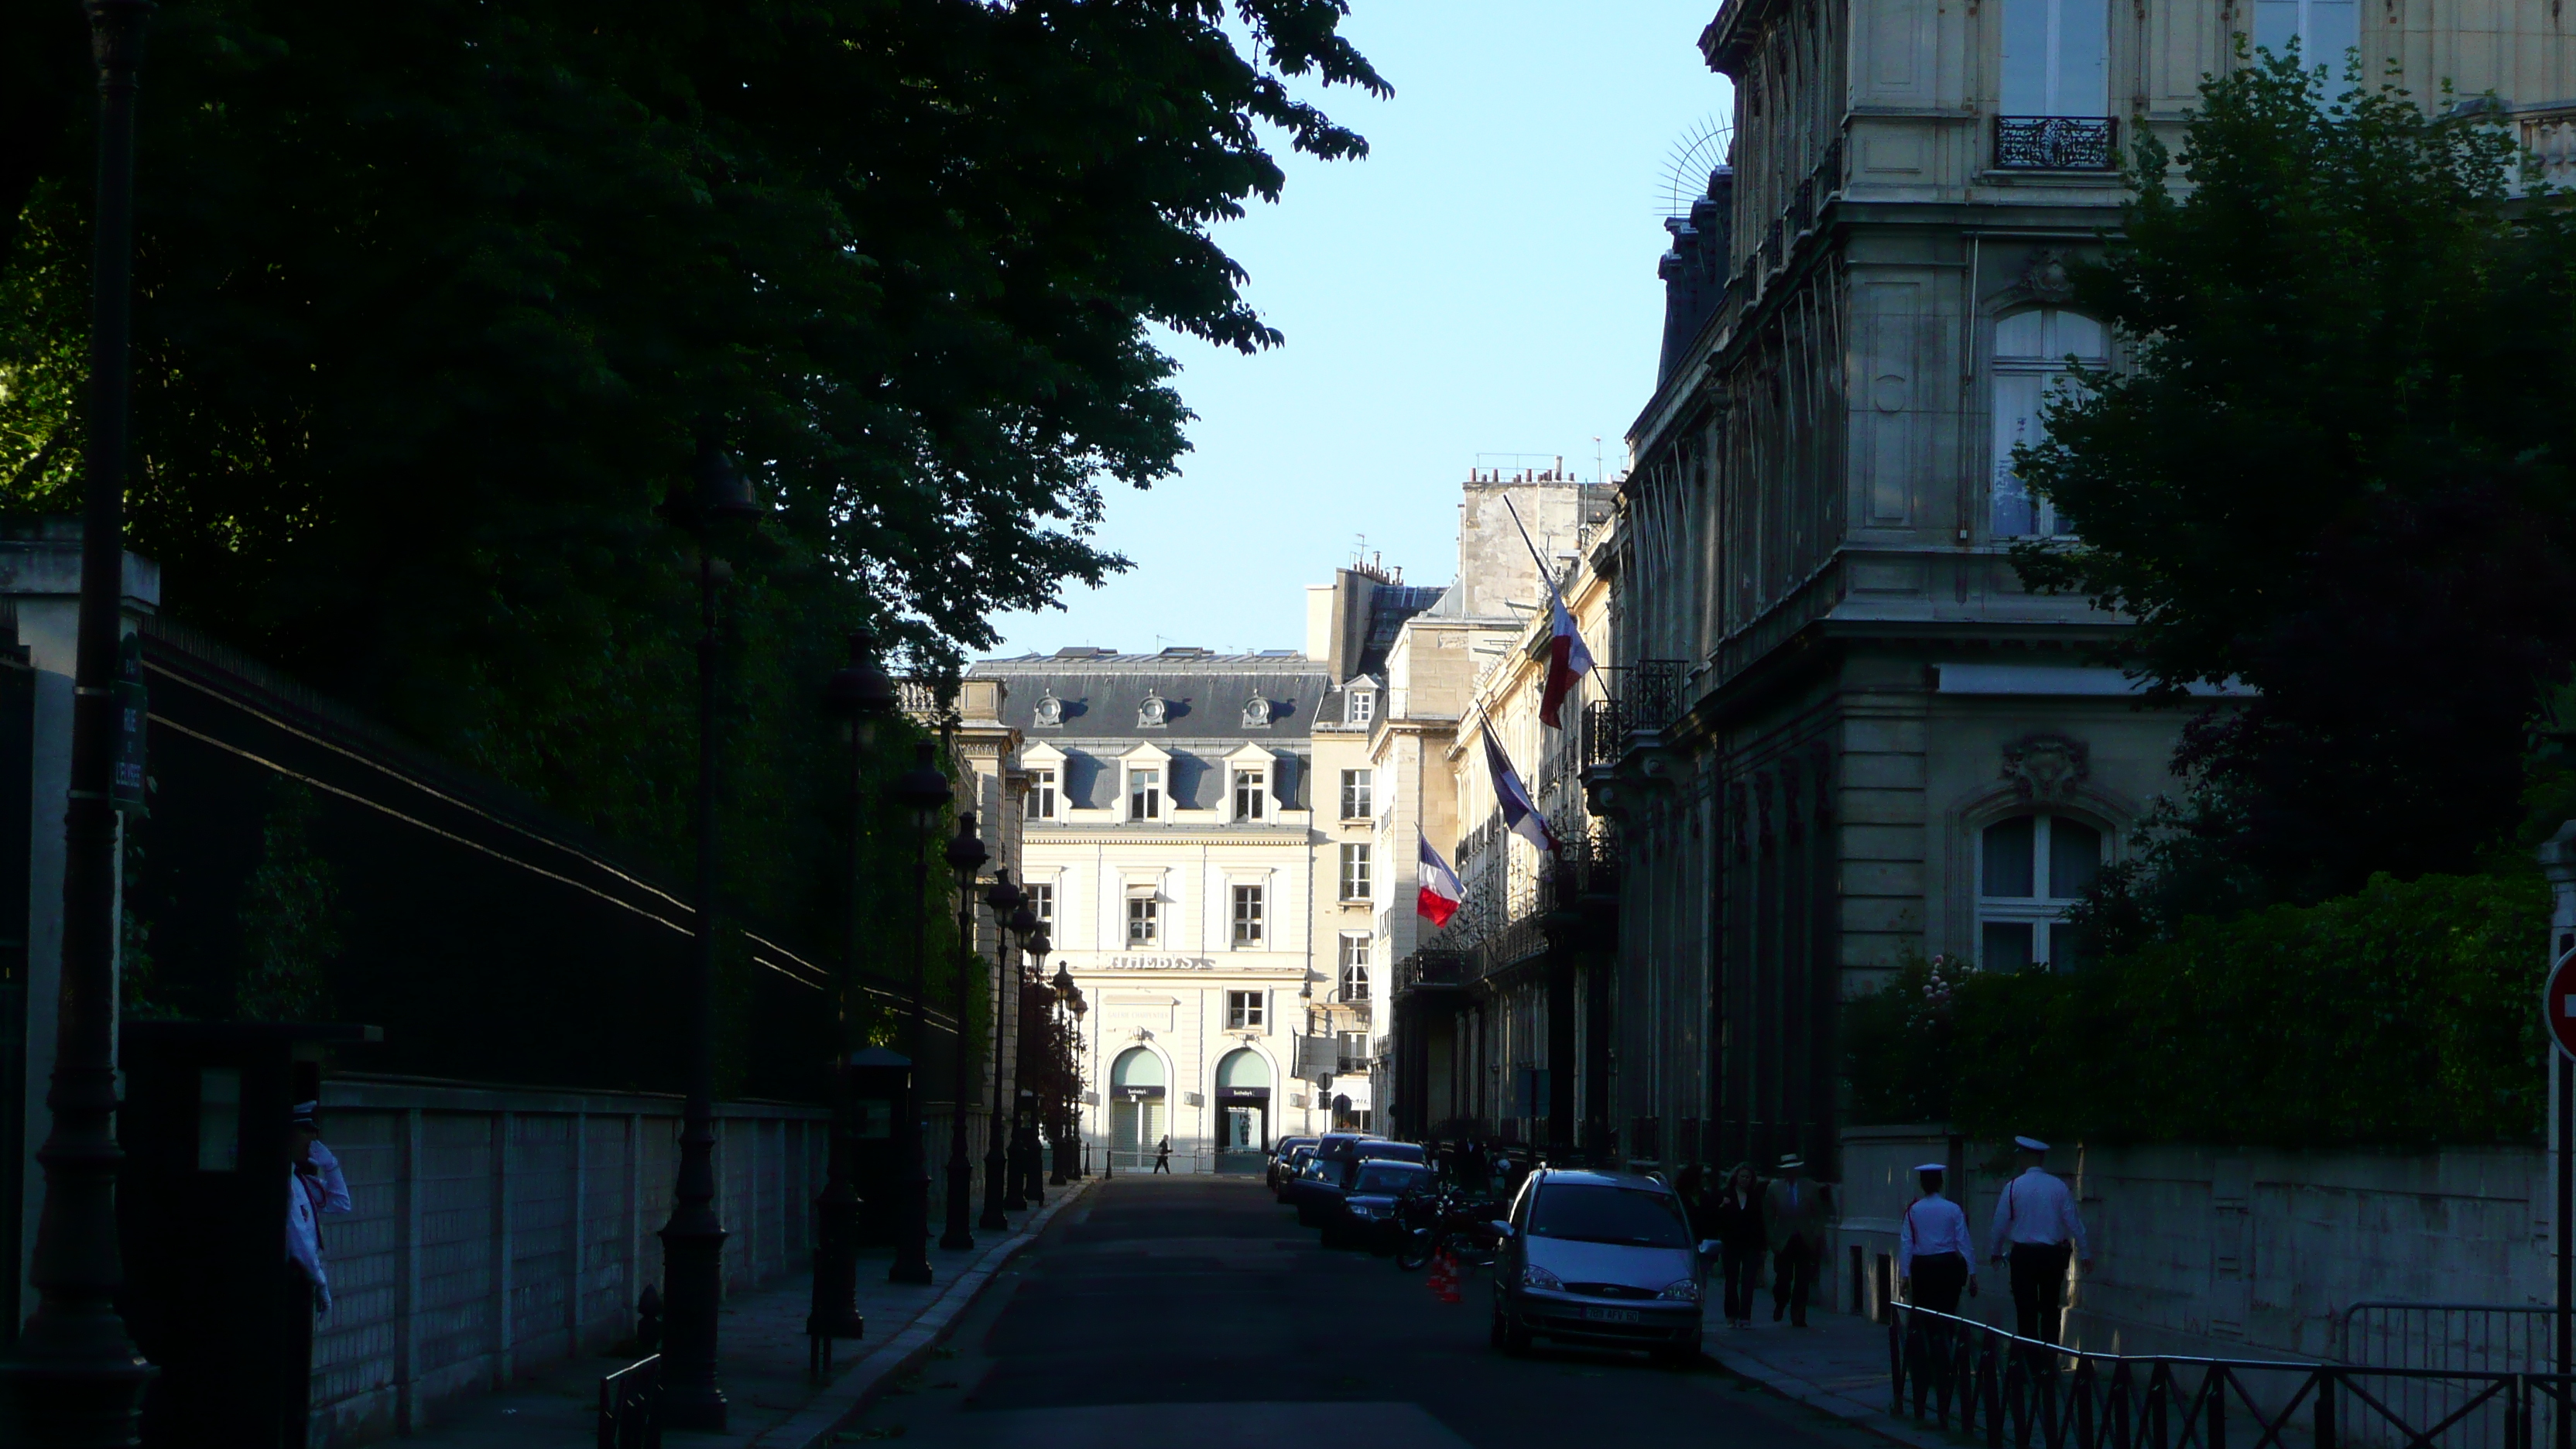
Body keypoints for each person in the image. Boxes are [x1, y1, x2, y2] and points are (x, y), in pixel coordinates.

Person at [1987, 1136, 2091, 1346]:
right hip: (2051, 1256)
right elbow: (2074, 1224)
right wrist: (2086, 1254)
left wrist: (1995, 1252)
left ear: (2025, 1158)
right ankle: (2049, 1359)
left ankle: (2029, 1360)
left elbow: (1999, 1224)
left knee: (2026, 1311)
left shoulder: (2014, 1187)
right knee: (2050, 1309)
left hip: (2023, 1255)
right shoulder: (2058, 1187)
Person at [286, 1101, 352, 1315]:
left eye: (314, 1132)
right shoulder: (286, 1182)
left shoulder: (301, 1180)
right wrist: (321, 1281)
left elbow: (341, 1203)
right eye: (306, 1131)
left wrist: (331, 1166)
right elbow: (298, 1236)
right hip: (291, 1276)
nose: (313, 1139)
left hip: (304, 1278)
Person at [1898, 1162, 1975, 1314]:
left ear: (1922, 1184)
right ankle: (1946, 1335)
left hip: (1923, 1268)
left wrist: (1905, 1275)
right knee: (1948, 1312)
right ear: (1941, 1183)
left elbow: (1907, 1243)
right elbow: (1964, 1242)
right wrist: (1972, 1273)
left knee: (1924, 1312)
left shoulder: (1913, 1210)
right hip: (1948, 1265)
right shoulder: (1953, 1209)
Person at [1762, 1152, 1829, 1327]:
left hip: (1804, 1239)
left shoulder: (1811, 1187)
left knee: (1803, 1279)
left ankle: (1798, 1314)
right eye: (1787, 1170)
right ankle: (1781, 1302)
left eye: (1793, 1169)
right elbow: (1768, 1216)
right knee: (1783, 1278)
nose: (1790, 1173)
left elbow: (1819, 1214)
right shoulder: (1774, 1188)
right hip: (1783, 1239)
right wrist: (1773, 1239)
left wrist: (1816, 1234)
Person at [1710, 1162, 1767, 1328]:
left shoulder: (1755, 1197)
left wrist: (1763, 1246)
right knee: (1731, 1280)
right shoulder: (1725, 1194)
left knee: (1749, 1280)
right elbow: (1716, 1218)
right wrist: (1722, 1206)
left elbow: (1759, 1222)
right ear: (1736, 1177)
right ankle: (1731, 1315)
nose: (1745, 1180)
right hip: (1731, 1243)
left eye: (1748, 1177)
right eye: (1742, 1176)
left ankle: (1745, 1316)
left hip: (1750, 1244)